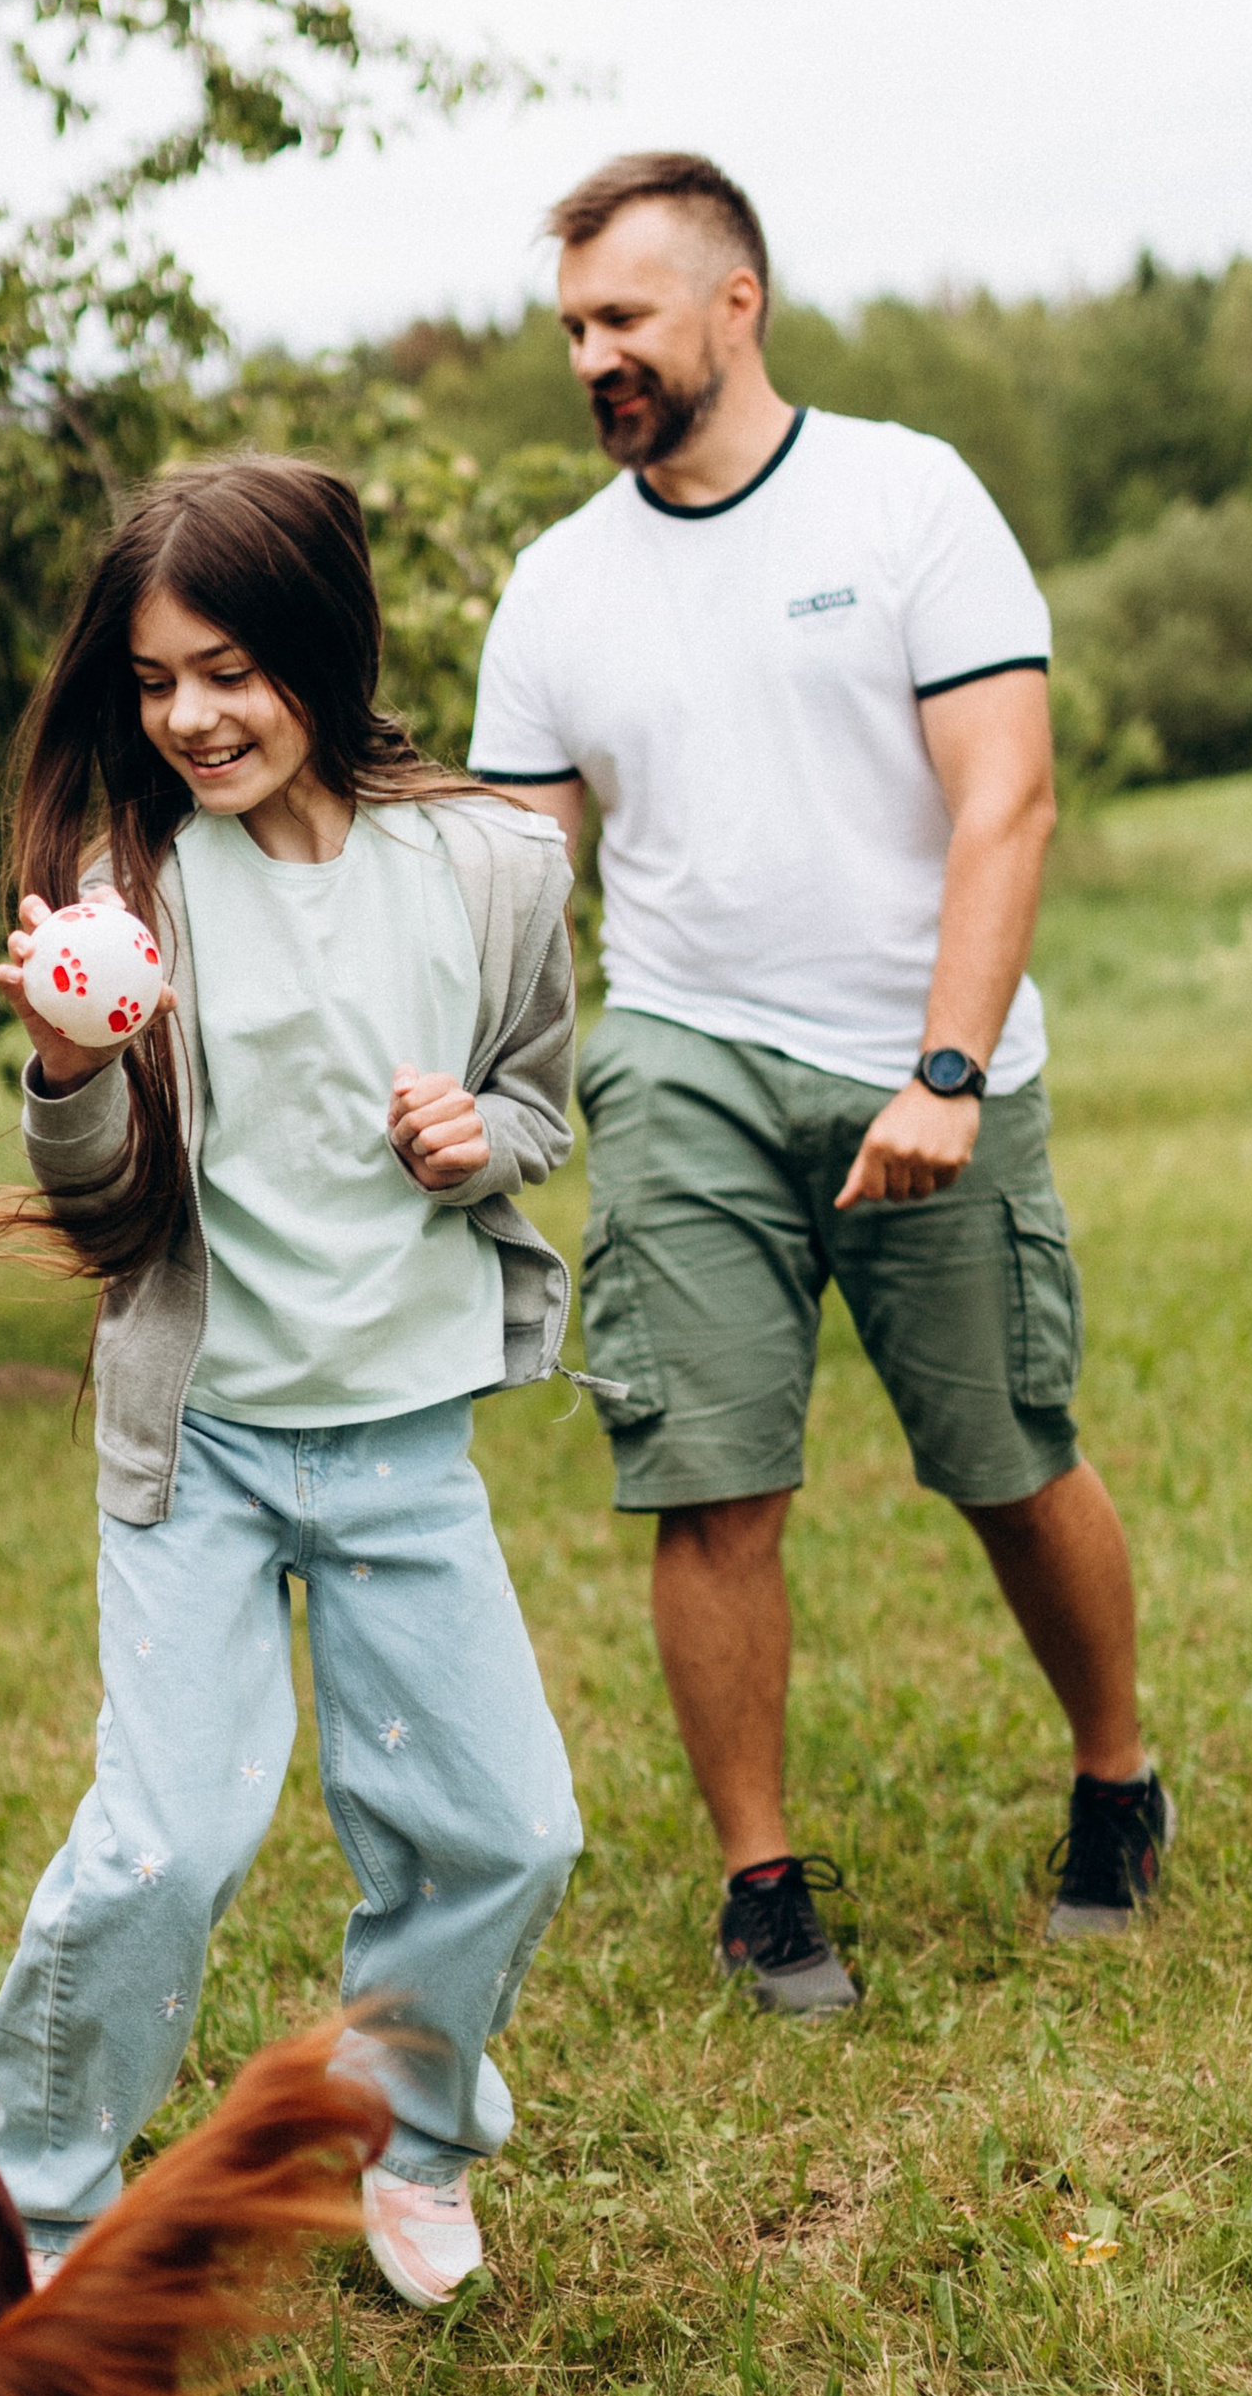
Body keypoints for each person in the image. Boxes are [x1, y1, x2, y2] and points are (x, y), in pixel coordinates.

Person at [0, 458, 583, 2305]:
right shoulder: (127, 887)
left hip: (404, 1441)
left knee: (512, 1828)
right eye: (160, 678)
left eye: (232, 669)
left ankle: (402, 2131)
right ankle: (29, 2198)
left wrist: (474, 1133)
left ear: (326, 652)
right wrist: (66, 1064)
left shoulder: (493, 865)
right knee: (170, 1844)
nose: (190, 716)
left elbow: (548, 1105)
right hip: (211, 1450)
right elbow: (98, 1207)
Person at [468, 150, 1166, 2010]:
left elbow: (1004, 799)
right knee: (710, 1480)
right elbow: (522, 887)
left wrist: (942, 1071)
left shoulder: (907, 498)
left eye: (622, 317)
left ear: (733, 303)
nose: (593, 356)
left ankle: (1117, 1778)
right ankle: (763, 1884)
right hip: (686, 1051)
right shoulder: (554, 590)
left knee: (1006, 1458)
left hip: (923, 1056)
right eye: (572, 330)